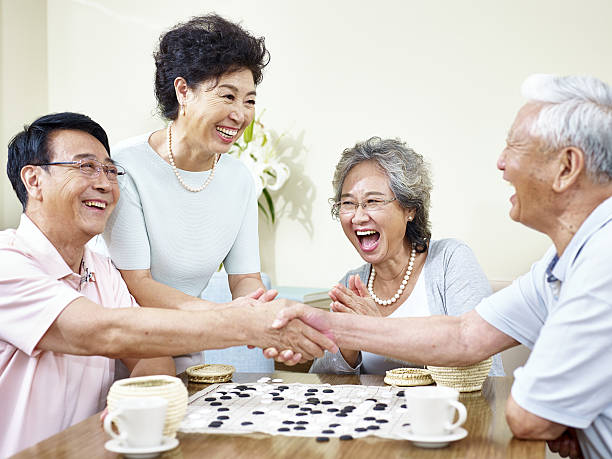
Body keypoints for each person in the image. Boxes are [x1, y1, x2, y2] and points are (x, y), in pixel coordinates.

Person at [273, 74, 612, 459]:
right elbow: (466, 336)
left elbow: (527, 415)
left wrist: (558, 418)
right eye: (349, 203)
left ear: (567, 167)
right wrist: (326, 324)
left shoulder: (603, 265)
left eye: (516, 147)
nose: (501, 163)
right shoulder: (559, 262)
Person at [0, 112, 337, 457]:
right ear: (34, 180)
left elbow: (153, 358)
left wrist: (136, 401)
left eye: (110, 170)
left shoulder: (101, 270)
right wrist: (246, 323)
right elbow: (98, 331)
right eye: (86, 167)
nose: (104, 183)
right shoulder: (7, 263)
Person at [102, 15, 274, 373]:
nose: (240, 114)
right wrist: (226, 317)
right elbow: (138, 283)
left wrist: (263, 316)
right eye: (227, 96)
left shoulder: (239, 178)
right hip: (123, 348)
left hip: (186, 345)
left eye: (250, 100)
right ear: (183, 91)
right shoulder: (126, 166)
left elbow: (244, 279)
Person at [310, 137, 503, 376]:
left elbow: (485, 368)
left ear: (410, 208)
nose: (358, 217)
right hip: (375, 413)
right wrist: (348, 349)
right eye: (348, 203)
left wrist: (379, 331)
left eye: (372, 201)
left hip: (447, 413)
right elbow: (319, 381)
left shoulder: (450, 261)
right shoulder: (352, 285)